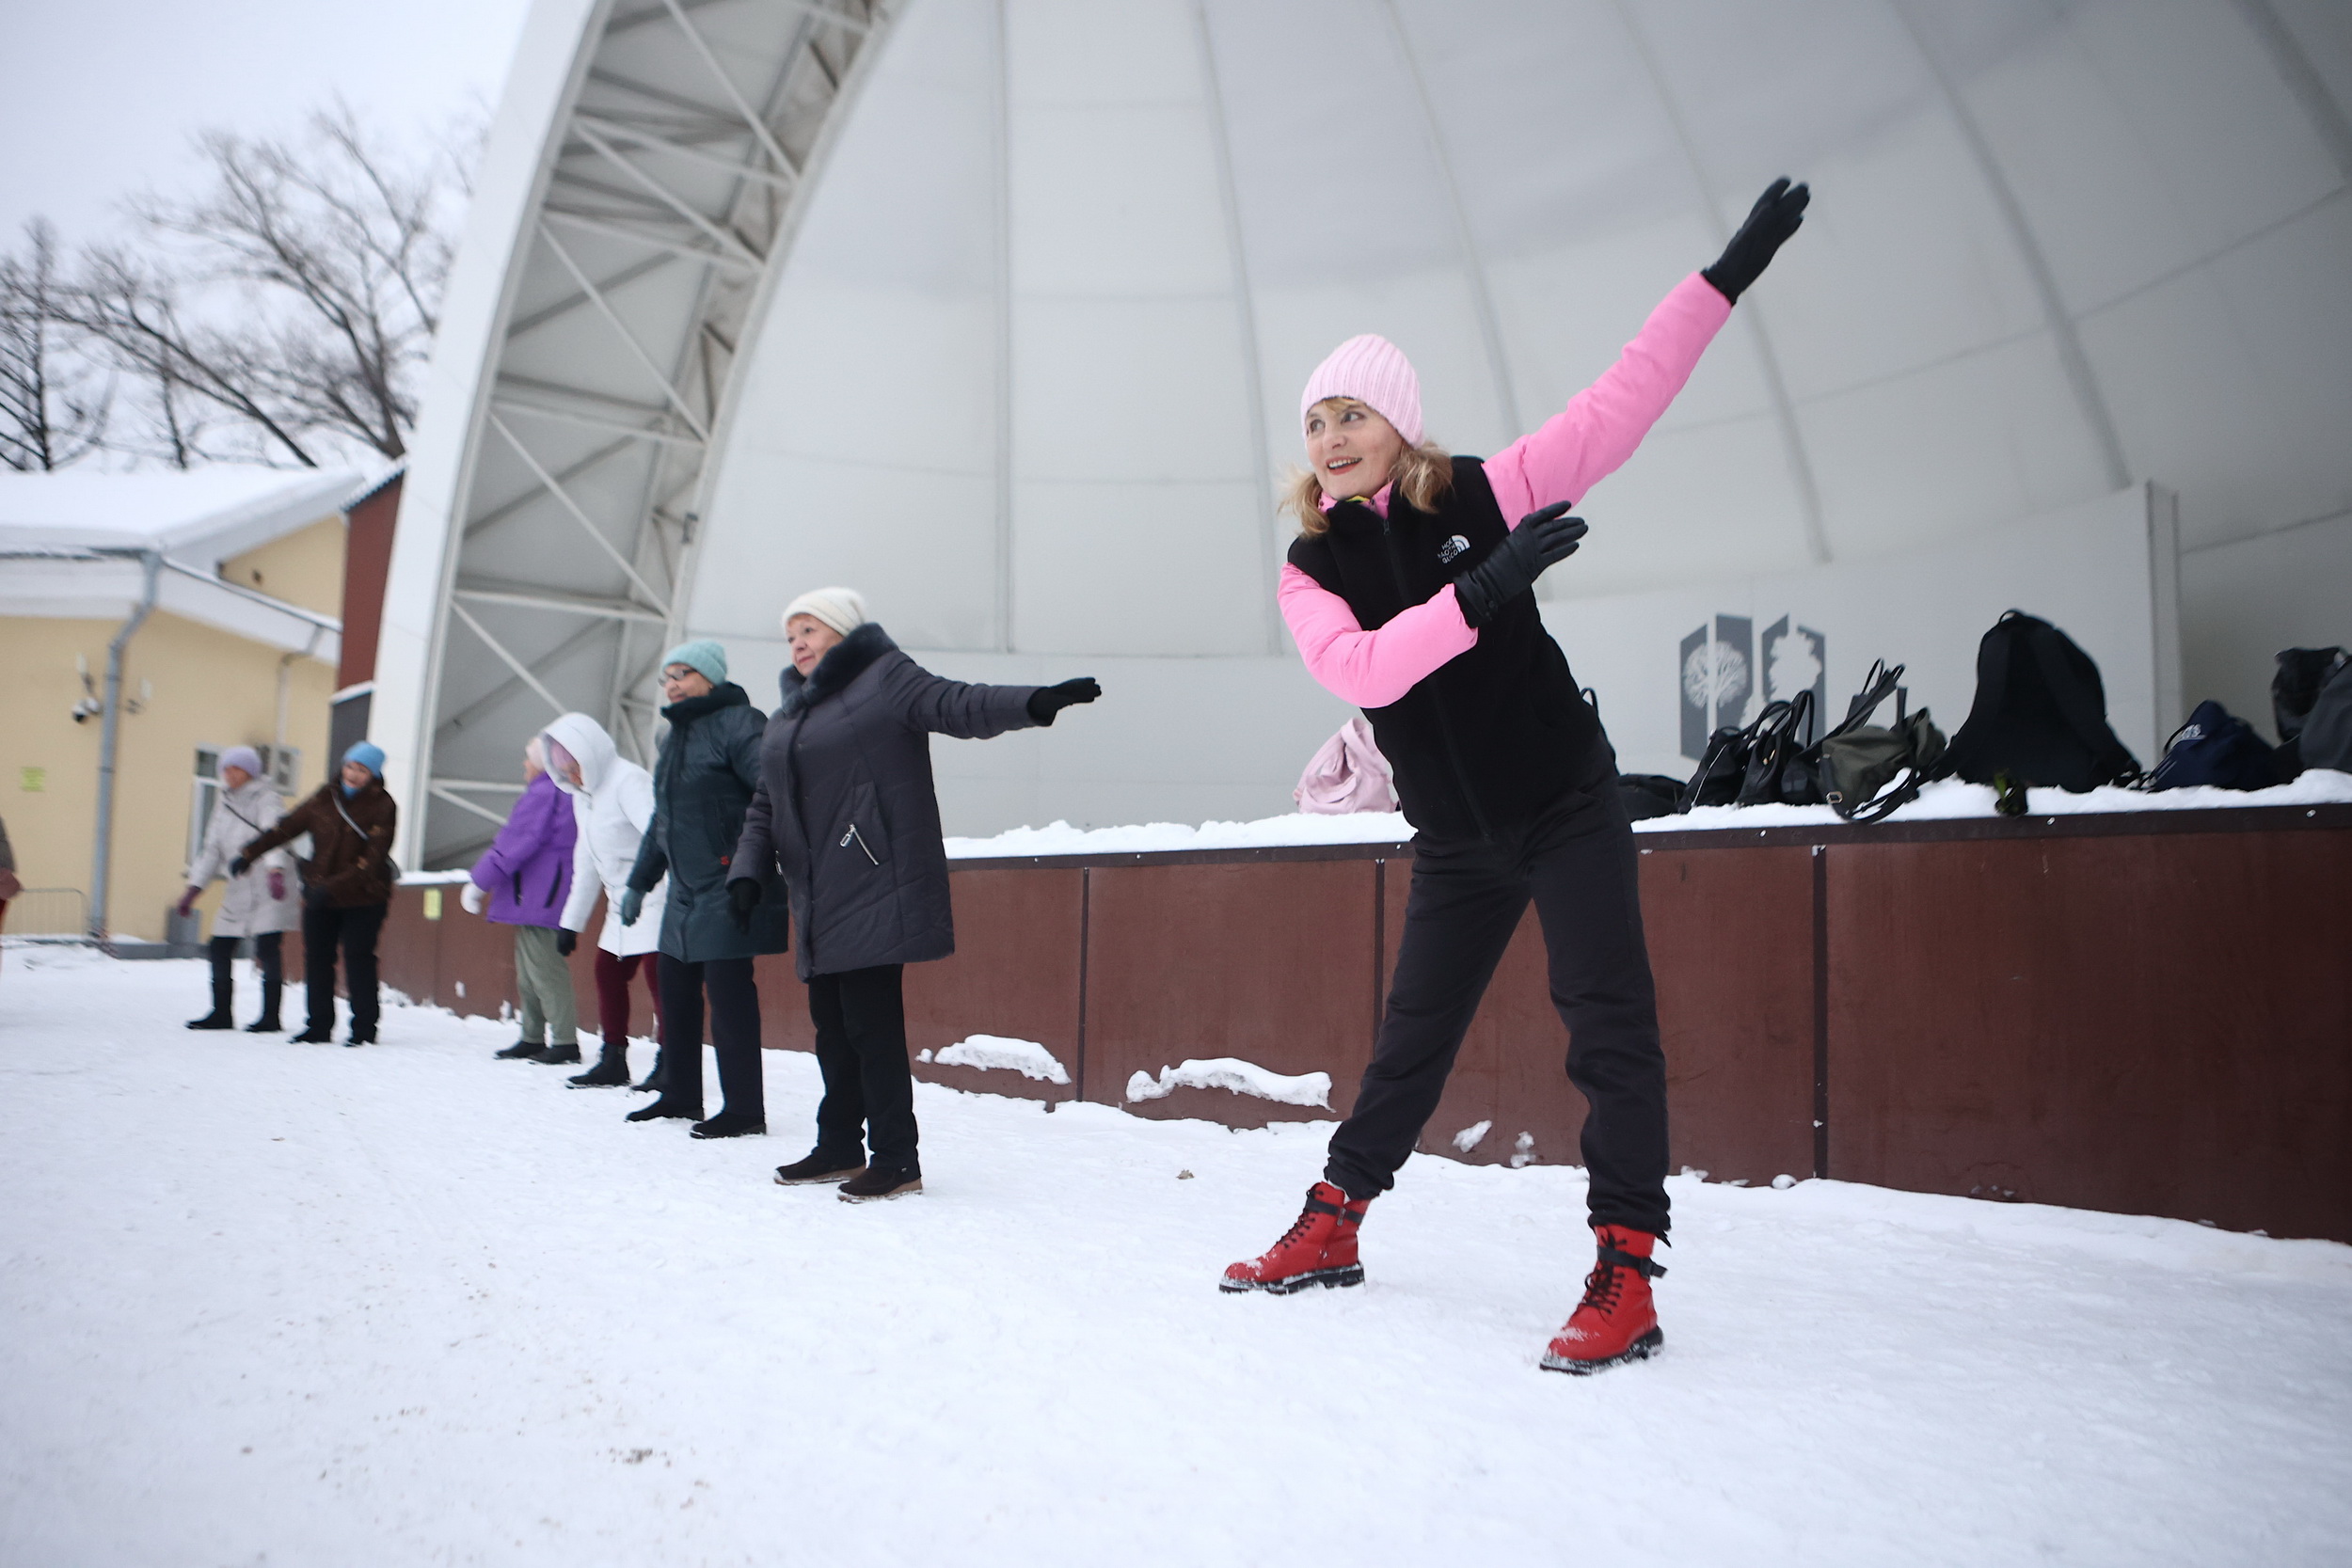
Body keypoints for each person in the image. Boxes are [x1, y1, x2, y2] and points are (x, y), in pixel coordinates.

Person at [1219, 180, 1813, 1375]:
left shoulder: (1482, 494)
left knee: (1607, 1024)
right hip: (1453, 837)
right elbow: (1367, 672)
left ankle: (1626, 1271)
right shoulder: (1309, 565)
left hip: (1562, 803)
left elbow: (1620, 404)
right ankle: (1333, 1220)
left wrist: (1723, 278)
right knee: (1410, 1040)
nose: (1329, 439)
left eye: (1351, 414)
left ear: (1398, 423)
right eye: (1315, 420)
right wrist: (1479, 594)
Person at [734, 587, 1099, 1201]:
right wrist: (747, 869)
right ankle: (839, 1146)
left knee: (871, 1026)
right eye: (790, 633)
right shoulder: (790, 715)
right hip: (818, 895)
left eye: (810, 629)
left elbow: (955, 703)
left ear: (843, 632)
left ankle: (897, 1158)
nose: (796, 641)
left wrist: (1032, 702)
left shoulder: (884, 677)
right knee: (833, 1026)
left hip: (874, 878)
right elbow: (766, 801)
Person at [618, 641, 790, 1136]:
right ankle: (681, 1094)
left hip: (728, 882)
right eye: (667, 676)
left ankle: (743, 1110)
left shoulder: (741, 724)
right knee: (675, 992)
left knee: (730, 997)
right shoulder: (672, 738)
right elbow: (663, 821)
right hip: (684, 891)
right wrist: (638, 882)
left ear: (711, 678)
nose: (672, 683)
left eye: (683, 674)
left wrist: (749, 871)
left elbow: (769, 797)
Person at [233, 740, 399, 1046]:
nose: (353, 774)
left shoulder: (383, 805)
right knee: (317, 959)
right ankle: (318, 1025)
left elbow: (372, 861)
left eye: (362, 770)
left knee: (358, 958)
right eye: (350, 766)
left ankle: (364, 1028)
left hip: (364, 896)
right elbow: (287, 827)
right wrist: (249, 854)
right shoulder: (326, 797)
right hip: (320, 893)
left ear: (372, 774)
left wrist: (328, 888)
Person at [545, 712, 667, 1091]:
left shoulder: (628, 781)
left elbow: (658, 835)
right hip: (620, 904)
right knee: (607, 971)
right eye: (563, 769)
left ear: (591, 754)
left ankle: (671, 1061)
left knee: (659, 978)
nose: (571, 776)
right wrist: (571, 922)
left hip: (656, 893)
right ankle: (613, 1059)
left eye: (575, 766)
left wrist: (644, 887)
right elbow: (586, 859)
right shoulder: (585, 798)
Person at [463, 736, 582, 1068]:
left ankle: (563, 1040)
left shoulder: (545, 792)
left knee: (543, 969)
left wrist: (480, 881)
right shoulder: (559, 792)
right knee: (531, 971)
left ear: (543, 762)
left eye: (528, 759)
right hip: (538, 891)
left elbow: (516, 841)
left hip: (540, 893)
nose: (524, 765)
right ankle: (533, 1035)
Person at [177, 746, 298, 1031]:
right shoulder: (223, 803)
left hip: (271, 884)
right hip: (241, 885)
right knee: (219, 946)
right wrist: (194, 888)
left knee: (267, 947)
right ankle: (221, 1013)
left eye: (237, 768)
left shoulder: (267, 799)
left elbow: (274, 836)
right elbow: (212, 851)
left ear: (250, 772)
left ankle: (270, 1017)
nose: (229, 774)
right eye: (226, 769)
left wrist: (276, 870)